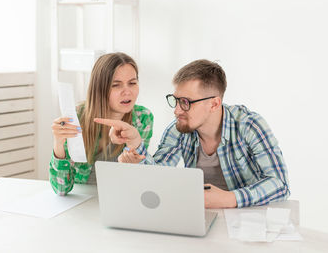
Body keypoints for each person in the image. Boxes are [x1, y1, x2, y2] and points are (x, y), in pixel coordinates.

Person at [95, 59, 290, 209]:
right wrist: (136, 145)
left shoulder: (249, 125)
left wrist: (229, 198)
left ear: (214, 103)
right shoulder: (179, 128)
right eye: (176, 100)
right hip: (201, 217)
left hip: (248, 220)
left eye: (186, 102)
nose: (177, 110)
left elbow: (280, 185)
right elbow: (159, 173)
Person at [49, 52, 154, 195]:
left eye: (132, 83)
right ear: (99, 89)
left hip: (119, 198)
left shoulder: (142, 118)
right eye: (116, 85)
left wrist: (136, 164)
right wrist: (58, 145)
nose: (127, 91)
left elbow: (140, 182)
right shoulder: (77, 117)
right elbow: (61, 190)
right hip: (82, 202)